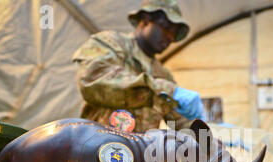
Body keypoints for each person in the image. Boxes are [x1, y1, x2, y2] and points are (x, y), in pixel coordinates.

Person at [72, 0, 205, 133]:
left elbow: (178, 122)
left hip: (139, 151)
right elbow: (93, 81)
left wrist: (205, 131)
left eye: (174, 34)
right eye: (167, 28)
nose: (170, 37)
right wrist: (165, 90)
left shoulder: (163, 74)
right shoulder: (111, 44)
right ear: (146, 19)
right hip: (96, 146)